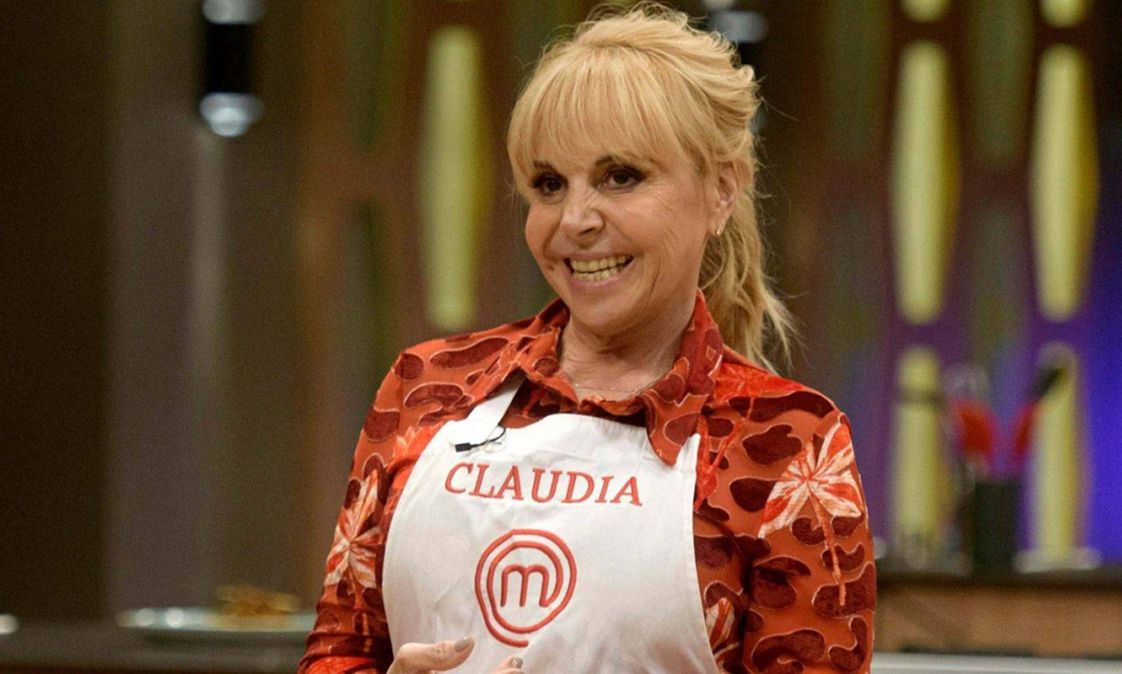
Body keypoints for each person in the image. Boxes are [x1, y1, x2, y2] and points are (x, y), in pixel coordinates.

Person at [300, 4, 874, 673]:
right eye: (549, 185)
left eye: (620, 177)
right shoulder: (427, 390)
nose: (574, 220)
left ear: (721, 191)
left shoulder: (789, 445)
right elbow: (340, 649)